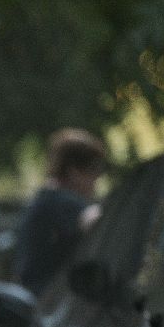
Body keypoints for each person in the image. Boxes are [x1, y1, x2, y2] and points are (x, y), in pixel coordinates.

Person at [13, 127, 106, 296]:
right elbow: (96, 221)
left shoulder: (45, 199)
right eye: (94, 170)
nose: (97, 180)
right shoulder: (60, 201)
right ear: (74, 172)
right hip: (46, 300)